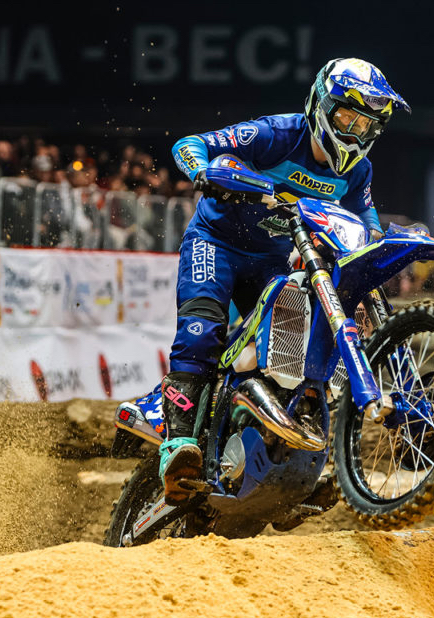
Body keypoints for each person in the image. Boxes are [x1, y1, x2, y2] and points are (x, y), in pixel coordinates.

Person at [160, 58, 409, 504]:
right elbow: (192, 143)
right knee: (202, 329)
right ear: (321, 106)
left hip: (273, 259)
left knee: (299, 346)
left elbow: (365, 218)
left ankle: (288, 457)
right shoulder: (276, 133)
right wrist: (202, 170)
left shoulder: (357, 172)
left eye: (365, 125)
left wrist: (376, 244)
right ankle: (177, 444)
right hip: (216, 242)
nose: (354, 132)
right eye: (346, 118)